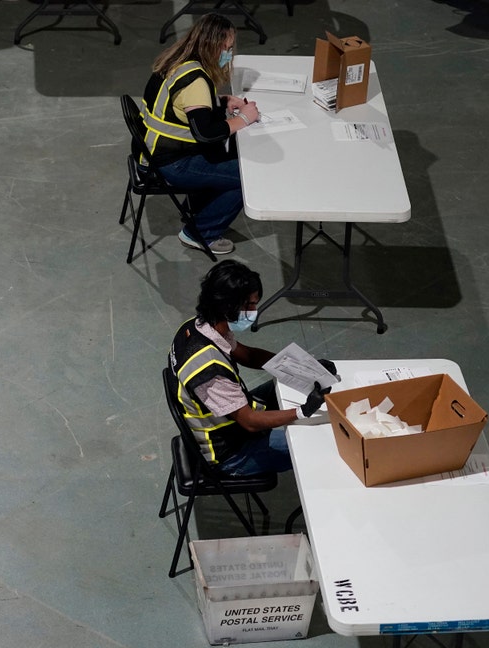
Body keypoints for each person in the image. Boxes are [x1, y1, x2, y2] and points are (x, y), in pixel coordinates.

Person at [167, 261, 334, 476]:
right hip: (231, 452)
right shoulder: (208, 371)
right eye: (249, 305)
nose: (254, 312)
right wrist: (303, 411)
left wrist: (302, 367)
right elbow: (250, 422)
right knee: (320, 441)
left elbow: (248, 355)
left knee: (281, 387)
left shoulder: (199, 326)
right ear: (227, 306)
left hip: (230, 416)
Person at [141, 14, 258, 256]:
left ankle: (198, 208)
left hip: (153, 150)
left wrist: (221, 101)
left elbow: (182, 107)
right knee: (247, 178)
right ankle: (201, 233)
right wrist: (245, 118)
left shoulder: (177, 59)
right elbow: (205, 134)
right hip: (174, 163)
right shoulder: (196, 82)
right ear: (213, 46)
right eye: (227, 47)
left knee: (230, 157)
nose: (229, 53)